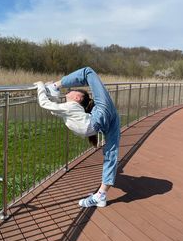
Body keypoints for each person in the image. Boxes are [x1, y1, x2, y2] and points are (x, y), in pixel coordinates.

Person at [34, 67, 120, 207]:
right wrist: (49, 90)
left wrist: (41, 86)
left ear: (77, 98)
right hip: (101, 119)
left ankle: (55, 85)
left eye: (72, 90)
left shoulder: (72, 107)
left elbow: (45, 104)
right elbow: (54, 109)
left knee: (88, 72)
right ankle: (101, 195)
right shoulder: (71, 108)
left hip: (99, 119)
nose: (69, 90)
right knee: (111, 153)